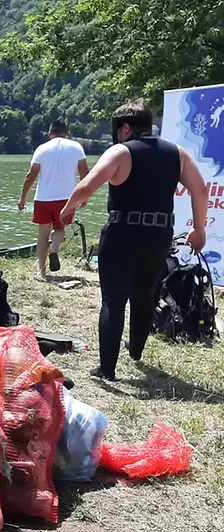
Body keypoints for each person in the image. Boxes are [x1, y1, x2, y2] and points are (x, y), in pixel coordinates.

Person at [59, 99, 209, 381]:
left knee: (113, 300)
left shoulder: (121, 152)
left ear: (125, 128)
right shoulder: (177, 153)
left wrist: (68, 208)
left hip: (121, 235)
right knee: (144, 296)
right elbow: (200, 190)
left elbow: (87, 185)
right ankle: (136, 352)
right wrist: (199, 230)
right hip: (158, 236)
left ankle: (107, 369)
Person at [18, 120, 89, 279]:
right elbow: (85, 174)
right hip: (66, 198)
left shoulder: (41, 149)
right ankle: (54, 250)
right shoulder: (76, 147)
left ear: (50, 134)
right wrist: (85, 196)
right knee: (59, 228)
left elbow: (31, 176)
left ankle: (42, 272)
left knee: (43, 232)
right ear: (66, 132)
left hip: (43, 198)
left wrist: (23, 198)